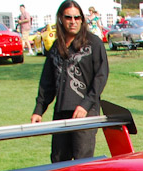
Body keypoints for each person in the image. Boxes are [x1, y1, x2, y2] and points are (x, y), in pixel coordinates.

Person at [31, 0, 108, 162]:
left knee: (82, 164)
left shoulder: (94, 43)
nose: (73, 22)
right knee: (58, 162)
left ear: (82, 19)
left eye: (77, 18)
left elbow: (101, 77)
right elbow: (47, 82)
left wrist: (85, 105)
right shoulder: (56, 47)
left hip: (86, 113)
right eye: (68, 17)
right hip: (61, 113)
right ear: (61, 19)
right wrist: (39, 109)